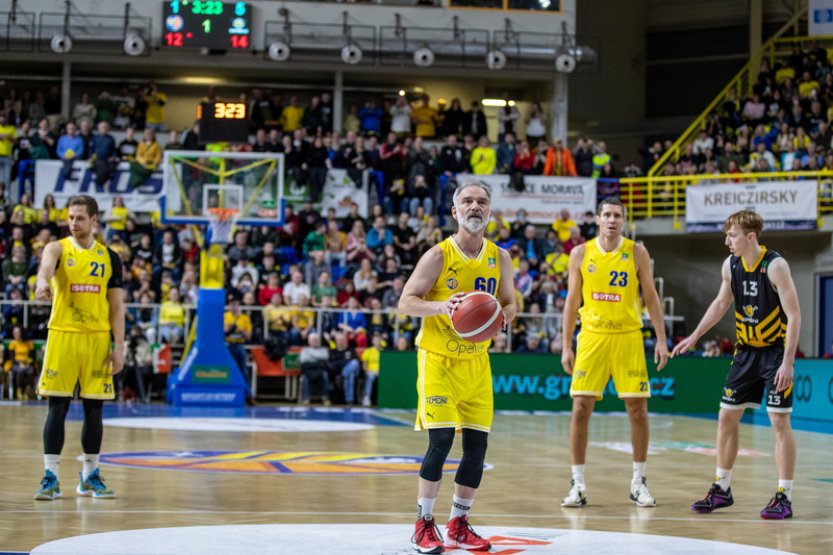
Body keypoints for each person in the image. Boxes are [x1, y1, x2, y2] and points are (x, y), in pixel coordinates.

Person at [399, 179, 517, 553]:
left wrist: (499, 317)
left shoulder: (501, 257)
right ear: (455, 211)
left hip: (476, 364)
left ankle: (459, 522)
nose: (474, 206)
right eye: (467, 201)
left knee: (477, 448)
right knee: (442, 440)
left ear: (490, 211)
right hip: (437, 360)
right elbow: (406, 301)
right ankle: (423, 522)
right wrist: (443, 306)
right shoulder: (438, 255)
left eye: (481, 201)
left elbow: (511, 303)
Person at [672, 210, 801, 520]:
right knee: (726, 417)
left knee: (779, 423)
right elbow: (720, 303)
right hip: (745, 353)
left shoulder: (776, 266)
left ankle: (784, 495)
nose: (727, 241)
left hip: (774, 353)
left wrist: (788, 362)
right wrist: (695, 336)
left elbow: (795, 315)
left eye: (732, 235)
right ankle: (722, 488)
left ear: (750, 237)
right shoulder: (730, 265)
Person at [560, 197, 668, 509]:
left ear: (623, 221)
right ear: (597, 219)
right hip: (592, 337)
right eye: (606, 214)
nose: (611, 220)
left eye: (617, 215)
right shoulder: (581, 253)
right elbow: (571, 301)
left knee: (638, 409)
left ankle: (639, 481)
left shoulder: (637, 252)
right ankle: (577, 483)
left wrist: (661, 340)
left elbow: (651, 296)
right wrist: (566, 344)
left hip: (628, 337)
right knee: (580, 407)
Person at [33, 195, 125, 500]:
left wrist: (119, 346)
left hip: (98, 339)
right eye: (71, 217)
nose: (74, 222)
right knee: (57, 407)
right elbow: (45, 269)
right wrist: (41, 284)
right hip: (63, 335)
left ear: (94, 219)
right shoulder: (57, 247)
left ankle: (89, 476)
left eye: (80, 217)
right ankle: (50, 477)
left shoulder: (110, 258)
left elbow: (116, 307)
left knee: (94, 410)